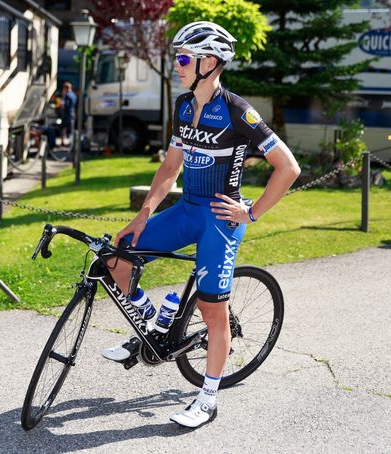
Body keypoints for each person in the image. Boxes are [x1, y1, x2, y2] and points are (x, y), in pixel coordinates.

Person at [100, 21, 301, 429]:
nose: (177, 65)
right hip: (186, 208)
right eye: (178, 58)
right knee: (116, 258)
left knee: (213, 310)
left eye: (184, 59)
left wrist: (252, 212)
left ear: (209, 62)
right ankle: (155, 331)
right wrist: (144, 213)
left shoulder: (236, 110)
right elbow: (171, 166)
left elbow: (288, 167)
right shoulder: (182, 106)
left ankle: (207, 399)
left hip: (219, 219)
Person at [60, 81, 77, 146]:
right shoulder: (73, 95)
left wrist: (61, 105)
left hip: (66, 114)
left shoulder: (67, 95)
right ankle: (71, 143)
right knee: (71, 130)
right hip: (72, 113)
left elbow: (66, 105)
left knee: (62, 128)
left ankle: (63, 142)